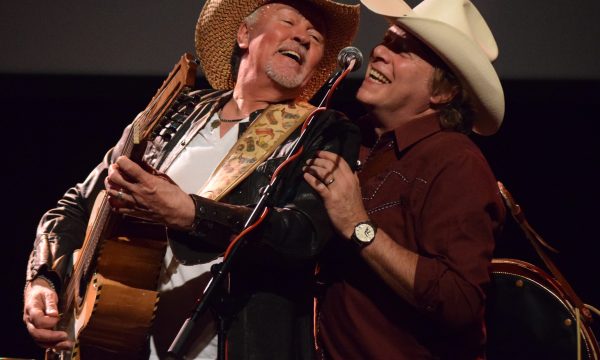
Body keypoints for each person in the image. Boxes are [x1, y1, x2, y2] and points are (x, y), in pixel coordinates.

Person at [22, 0, 360, 359]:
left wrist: (189, 212)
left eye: (315, 37)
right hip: (121, 342)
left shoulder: (322, 131)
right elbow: (76, 205)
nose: (302, 38)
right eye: (289, 21)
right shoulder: (176, 111)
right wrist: (45, 278)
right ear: (244, 34)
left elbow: (303, 234)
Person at [303, 0, 506, 358]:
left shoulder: (456, 163)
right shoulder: (351, 138)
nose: (379, 51)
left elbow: (459, 300)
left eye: (403, 50)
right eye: (386, 40)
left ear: (442, 93)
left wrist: (358, 225)